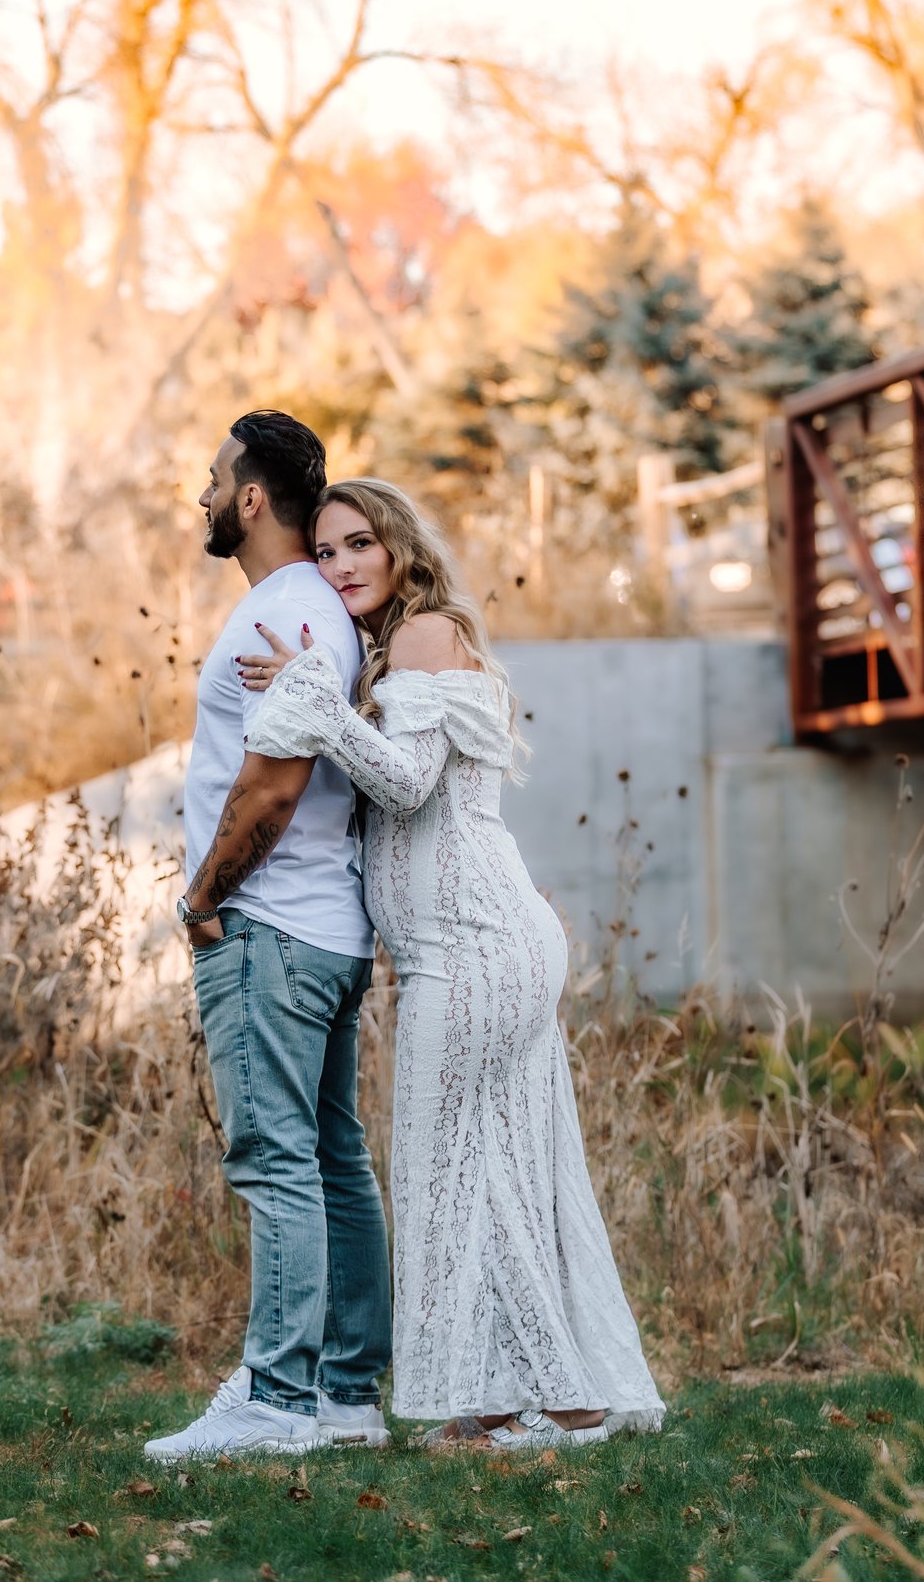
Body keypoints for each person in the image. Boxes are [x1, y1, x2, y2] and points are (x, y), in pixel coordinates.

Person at [234, 477, 663, 1450]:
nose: (340, 565)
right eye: (327, 551)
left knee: (445, 1168)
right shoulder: (395, 649)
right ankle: (529, 1400)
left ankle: (544, 1398)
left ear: (398, 548)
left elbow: (408, 779)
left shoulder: (424, 634)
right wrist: (329, 695)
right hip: (467, 943)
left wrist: (314, 703)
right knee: (493, 1167)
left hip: (471, 944)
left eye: (358, 545)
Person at [144, 411, 394, 1462]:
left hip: (271, 929)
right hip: (327, 930)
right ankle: (345, 1393)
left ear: (250, 496)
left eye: (213, 479)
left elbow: (273, 785)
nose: (203, 495)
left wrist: (204, 899)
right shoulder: (316, 614)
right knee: (335, 1159)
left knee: (279, 1157)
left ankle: (280, 1398)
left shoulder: (281, 613)